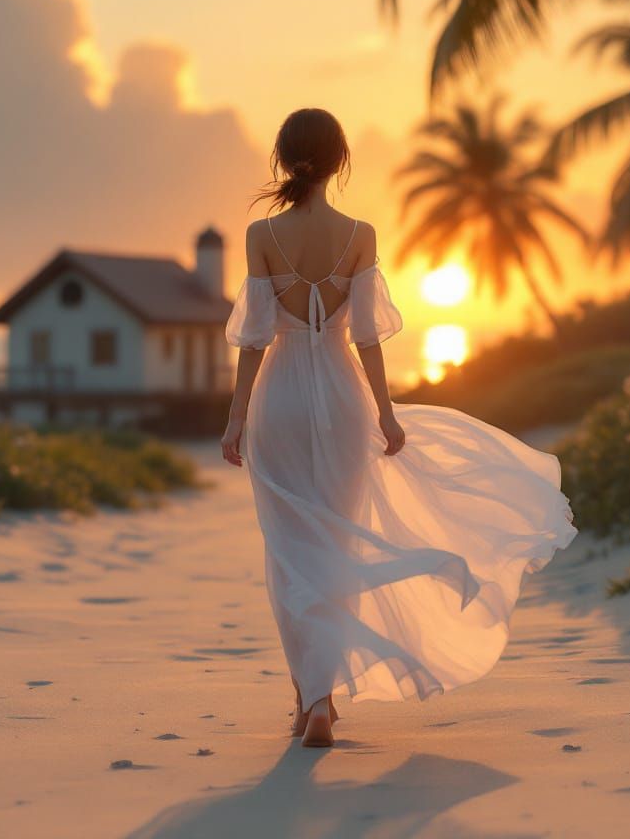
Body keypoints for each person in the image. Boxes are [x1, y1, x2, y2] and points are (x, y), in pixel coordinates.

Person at [221, 108, 577, 748]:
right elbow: (366, 339)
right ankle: (323, 697)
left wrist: (235, 416)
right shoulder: (359, 233)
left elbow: (251, 341)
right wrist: (384, 412)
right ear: (339, 160)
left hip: (279, 400)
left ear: (283, 157)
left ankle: (310, 696)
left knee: (289, 549)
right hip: (341, 394)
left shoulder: (260, 235)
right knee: (337, 545)